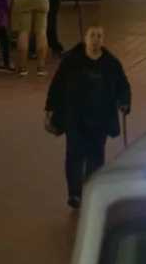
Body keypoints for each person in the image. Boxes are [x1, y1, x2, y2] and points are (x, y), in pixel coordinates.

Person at [45, 24, 132, 210]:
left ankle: (90, 190)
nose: (96, 39)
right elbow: (58, 84)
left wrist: (124, 102)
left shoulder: (110, 63)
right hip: (74, 117)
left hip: (99, 119)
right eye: (92, 35)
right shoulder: (72, 60)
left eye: (99, 35)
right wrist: (50, 109)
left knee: (95, 156)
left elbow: (123, 85)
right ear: (85, 38)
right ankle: (75, 193)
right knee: (74, 155)